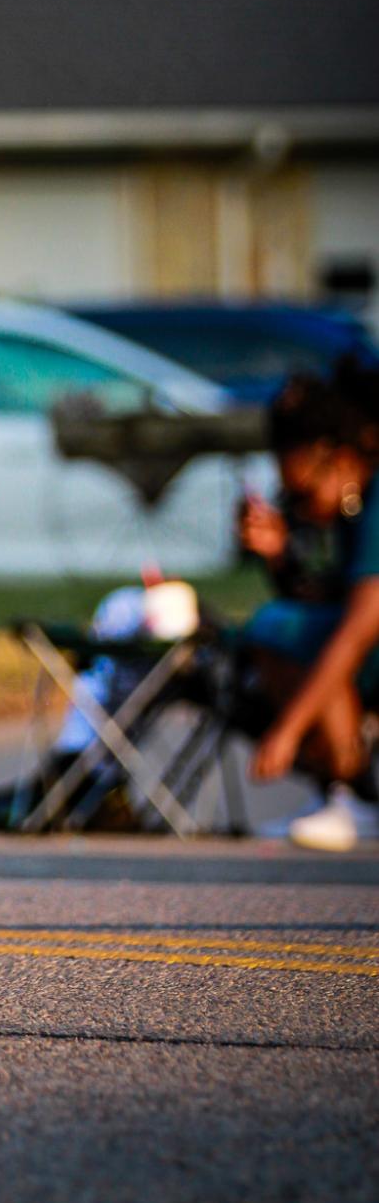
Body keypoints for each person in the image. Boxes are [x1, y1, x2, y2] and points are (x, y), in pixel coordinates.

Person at [241, 363, 379, 851]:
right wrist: (280, 558)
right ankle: (347, 794)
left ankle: (355, 793)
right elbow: (334, 600)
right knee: (283, 628)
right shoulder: (354, 508)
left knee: (284, 629)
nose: (297, 509)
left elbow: (360, 626)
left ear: (337, 458)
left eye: (299, 495)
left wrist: (288, 730)